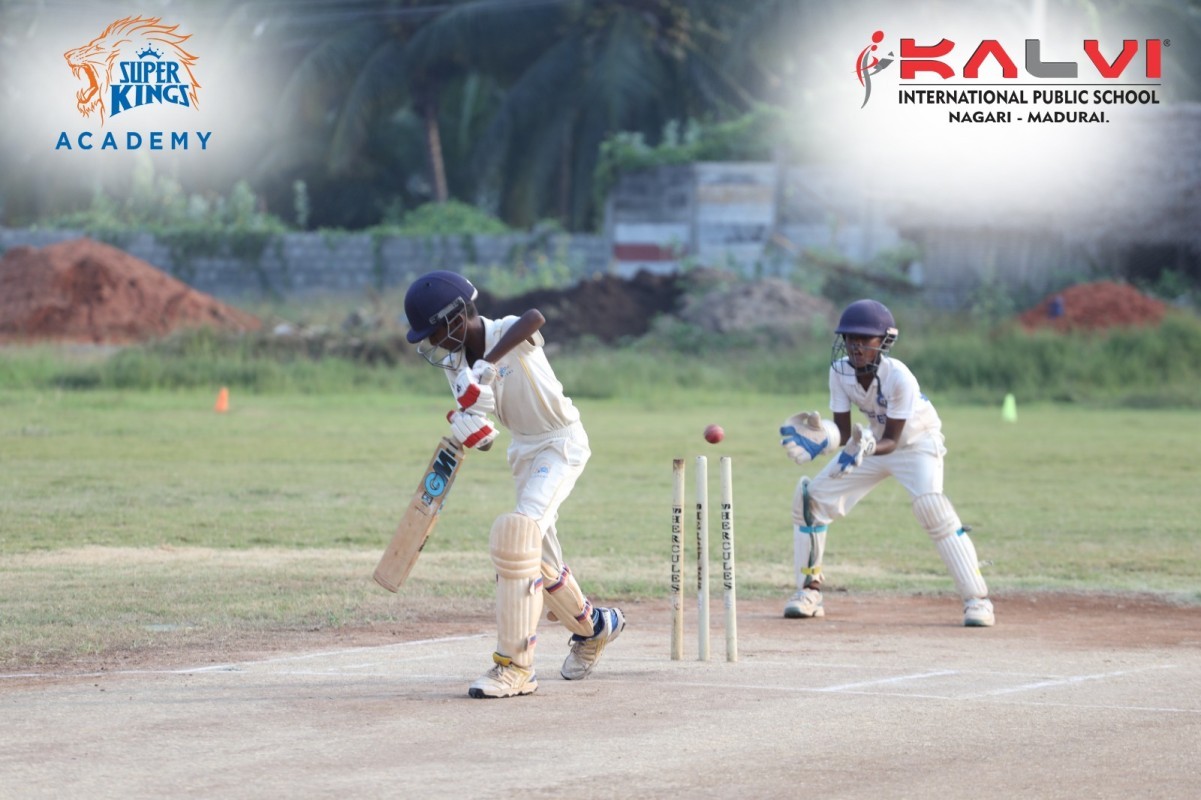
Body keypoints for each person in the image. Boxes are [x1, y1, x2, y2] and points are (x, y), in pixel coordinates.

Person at [403, 270, 626, 698]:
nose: (432, 343)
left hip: (560, 443)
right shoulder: (455, 365)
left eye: (433, 332)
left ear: (456, 319)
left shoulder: (508, 331)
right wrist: (471, 429)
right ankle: (596, 627)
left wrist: (487, 364)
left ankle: (515, 667)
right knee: (536, 556)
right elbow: (486, 431)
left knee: (516, 535)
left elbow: (534, 317)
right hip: (523, 452)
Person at [778, 299, 995, 627]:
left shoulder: (899, 377)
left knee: (931, 507)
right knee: (811, 500)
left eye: (864, 338)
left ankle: (977, 601)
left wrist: (864, 446)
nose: (856, 346)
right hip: (870, 443)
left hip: (916, 444)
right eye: (850, 338)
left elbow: (893, 440)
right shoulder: (839, 372)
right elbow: (845, 432)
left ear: (884, 341)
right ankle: (809, 591)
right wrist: (825, 438)